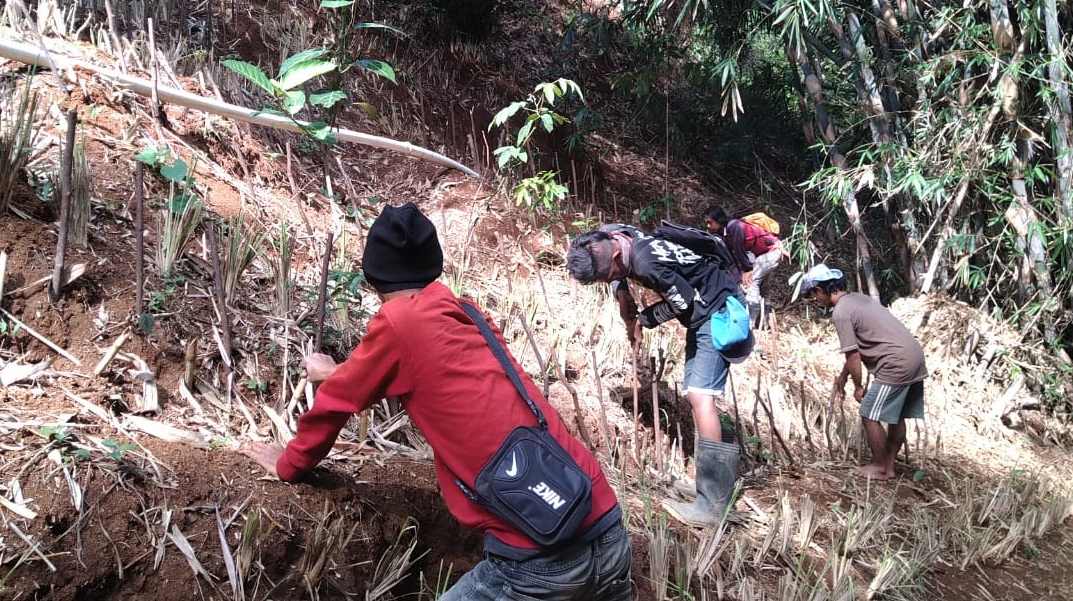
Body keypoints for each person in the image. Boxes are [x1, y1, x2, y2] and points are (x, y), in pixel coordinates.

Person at [244, 203, 631, 601]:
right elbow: (436, 377)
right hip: (607, 527)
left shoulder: (397, 323)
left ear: (372, 276)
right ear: (434, 266)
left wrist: (289, 464)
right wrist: (338, 372)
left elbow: (335, 405)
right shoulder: (468, 314)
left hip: (542, 561)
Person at [566, 225, 749, 526]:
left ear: (615, 256)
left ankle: (713, 504)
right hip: (704, 307)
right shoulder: (612, 235)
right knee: (695, 392)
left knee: (701, 397)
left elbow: (684, 301)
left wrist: (643, 320)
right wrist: (622, 294)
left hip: (718, 310)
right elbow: (619, 274)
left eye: (609, 275)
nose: (610, 280)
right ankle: (710, 488)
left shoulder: (646, 261)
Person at [800, 263, 928, 480]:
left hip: (895, 363)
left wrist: (858, 387)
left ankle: (879, 466)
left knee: (869, 413)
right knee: (896, 416)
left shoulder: (841, 312)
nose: (816, 300)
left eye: (814, 296)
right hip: (914, 356)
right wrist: (843, 377)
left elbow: (853, 355)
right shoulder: (858, 299)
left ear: (820, 290)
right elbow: (855, 350)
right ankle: (888, 468)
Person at [702, 205, 784, 312]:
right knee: (763, 287)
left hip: (771, 253)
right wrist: (740, 278)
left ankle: (751, 321)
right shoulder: (724, 234)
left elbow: (739, 250)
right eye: (706, 223)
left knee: (751, 285)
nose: (708, 226)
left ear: (719, 220)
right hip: (767, 254)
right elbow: (732, 258)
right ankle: (765, 321)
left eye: (710, 222)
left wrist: (747, 269)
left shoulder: (735, 227)